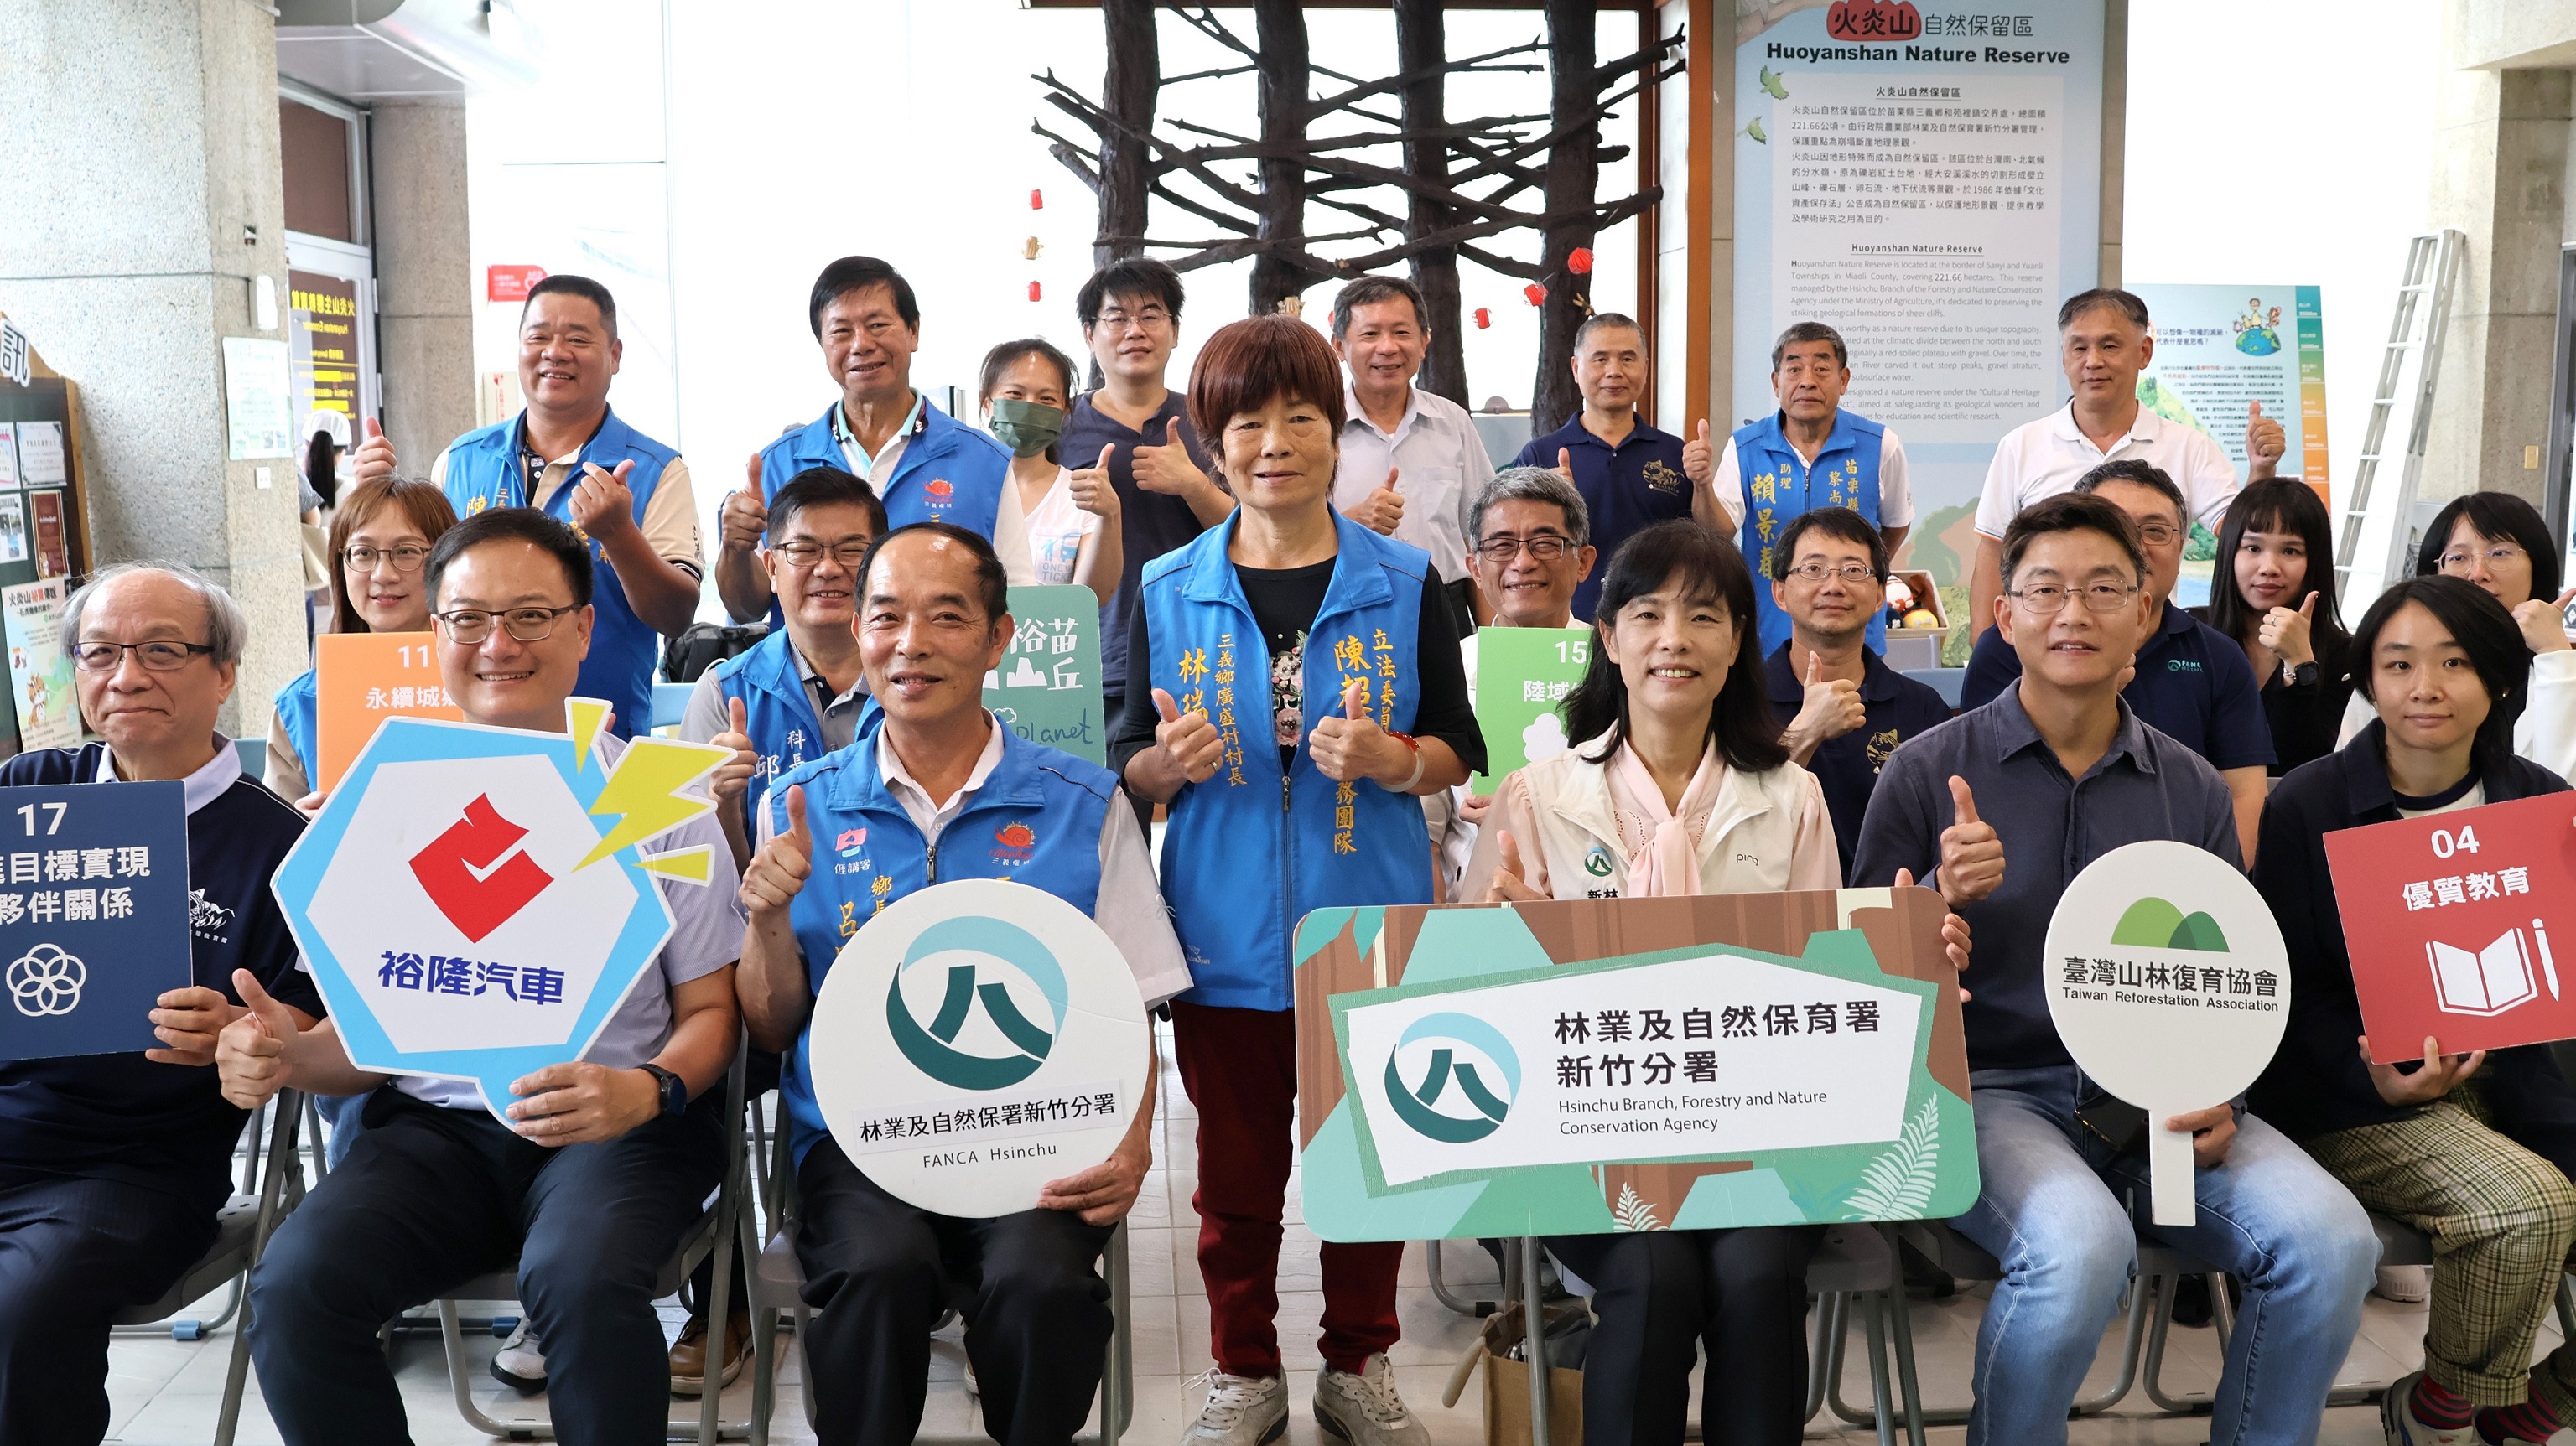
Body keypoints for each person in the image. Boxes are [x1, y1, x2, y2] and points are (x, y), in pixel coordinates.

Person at [1851, 492, 2376, 1446]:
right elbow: (1863, 982)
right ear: (2004, 616)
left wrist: (2223, 1089)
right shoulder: (1927, 771)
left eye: (2103, 589)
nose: (2074, 613)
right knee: (2080, 1246)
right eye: (2045, 589)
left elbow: (2228, 968)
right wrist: (1936, 896)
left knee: (2332, 1242)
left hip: (2162, 1095)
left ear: (2145, 611)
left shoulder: (2190, 786)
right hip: (1993, 1090)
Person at [224, 507, 744, 1446]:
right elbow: (362, 1047)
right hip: (434, 1136)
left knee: (580, 1280)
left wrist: (647, 1089)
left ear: (584, 628)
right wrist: (288, 1056)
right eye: (468, 619)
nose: (498, 644)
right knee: (296, 1287)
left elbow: (713, 1011)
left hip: (610, 1126)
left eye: (531, 616)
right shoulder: (382, 802)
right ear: (435, 634)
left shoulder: (654, 798)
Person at [1110, 314, 1483, 1446]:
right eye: (1247, 423)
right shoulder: (1165, 586)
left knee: (1369, 1164)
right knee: (1234, 1179)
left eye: (1301, 418)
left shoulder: (1405, 579)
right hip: (1219, 931)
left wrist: (1393, 760)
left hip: (1369, 925)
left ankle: (1357, 1364)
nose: (1274, 443)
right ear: (1212, 441)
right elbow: (1124, 759)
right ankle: (1244, 1369)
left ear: (1336, 436)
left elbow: (1460, 746)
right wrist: (1164, 765)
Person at [735, 522, 1190, 1446]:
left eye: (946, 617)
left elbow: (1133, 998)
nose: (912, 644)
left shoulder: (1083, 803)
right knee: (877, 1271)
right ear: (859, 635)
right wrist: (769, 918)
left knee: (1039, 1284)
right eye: (886, 617)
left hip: (1036, 1134)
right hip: (861, 1146)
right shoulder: (799, 806)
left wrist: (1133, 1143)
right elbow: (774, 1026)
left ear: (998, 638)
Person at [2246, 575, 2576, 1446]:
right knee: (2525, 1205)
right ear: (2367, 680)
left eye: (2455, 663)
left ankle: (2546, 1400)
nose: (2425, 687)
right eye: (2398, 665)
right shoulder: (2306, 804)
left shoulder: (2541, 801)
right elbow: (2282, 987)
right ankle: (2443, 1405)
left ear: (2499, 679)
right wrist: (2373, 1074)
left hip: (2514, 1078)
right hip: (2355, 1094)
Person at [0, 563, 320, 1445]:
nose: (126, 675)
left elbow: (303, 1028)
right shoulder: (27, 793)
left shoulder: (284, 847)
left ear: (224, 672)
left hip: (134, 1168)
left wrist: (244, 1033)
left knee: (24, 1309)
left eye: (162, 651)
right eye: (100, 653)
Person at [665, 464, 885, 1396]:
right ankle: (722, 1299)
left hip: (889, 956)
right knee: (704, 1060)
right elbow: (682, 875)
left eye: (852, 550)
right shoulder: (724, 691)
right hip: (761, 959)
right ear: (770, 565)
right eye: (805, 550)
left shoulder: (924, 671)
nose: (828, 568)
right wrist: (721, 808)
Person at [352, 274, 705, 740]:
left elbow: (676, 615)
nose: (555, 352)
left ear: (615, 355)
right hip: (469, 740)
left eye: (577, 339)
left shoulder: (656, 471)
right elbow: (420, 599)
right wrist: (377, 503)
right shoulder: (460, 460)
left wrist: (620, 535)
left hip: (601, 744)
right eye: (538, 337)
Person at [1959, 460, 2273, 861]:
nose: (2135, 545)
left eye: (2155, 531)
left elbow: (2244, 796)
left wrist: (2207, 886)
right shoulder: (2012, 646)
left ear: (2182, 547)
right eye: (2114, 526)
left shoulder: (2219, 658)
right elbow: (1977, 781)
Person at [719, 256, 1012, 623]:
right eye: (841, 332)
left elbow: (1018, 598)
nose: (861, 344)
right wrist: (736, 549)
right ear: (822, 344)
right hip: (808, 663)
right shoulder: (777, 465)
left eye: (877, 325)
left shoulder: (989, 464)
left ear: (914, 331)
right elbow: (746, 609)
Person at [1968, 288, 2272, 637]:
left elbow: (2242, 534)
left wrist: (2261, 470)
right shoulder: (2021, 446)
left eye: (2109, 346)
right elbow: (1993, 551)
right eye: (2079, 348)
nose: (2093, 361)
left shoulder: (2189, 448)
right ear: (2064, 358)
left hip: (2152, 643)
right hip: (2049, 644)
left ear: (2144, 352)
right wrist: (1985, 648)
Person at [1061, 257, 1229, 743]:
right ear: (1090, 334)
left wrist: (1194, 484)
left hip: (1203, 644)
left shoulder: (1212, 419)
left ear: (1175, 331)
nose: (1135, 331)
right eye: (1117, 317)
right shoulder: (1061, 427)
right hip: (1093, 653)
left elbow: (1257, 530)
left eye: (1151, 315)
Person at [1686, 322, 1914, 655]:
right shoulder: (1745, 447)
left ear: (1843, 380)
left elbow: (1896, 524)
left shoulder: (1881, 445)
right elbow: (1717, 533)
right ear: (1776, 382)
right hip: (1767, 633)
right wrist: (1702, 484)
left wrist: (1860, 575)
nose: (1807, 380)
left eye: (1821, 369)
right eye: (1794, 369)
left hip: (1854, 636)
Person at [1426, 467, 1599, 893]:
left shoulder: (1617, 666)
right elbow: (1426, 836)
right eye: (1501, 546)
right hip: (1477, 902)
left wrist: (1538, 816)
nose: (1523, 562)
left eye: (1546, 543)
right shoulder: (1446, 670)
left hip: (1591, 897)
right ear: (1474, 567)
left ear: (1583, 562)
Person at [1763, 508, 1953, 881]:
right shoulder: (1734, 701)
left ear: (1880, 595)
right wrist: (1805, 731)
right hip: (1773, 911)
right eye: (1814, 569)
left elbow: (1942, 835)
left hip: (1890, 911)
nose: (1833, 586)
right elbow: (1726, 824)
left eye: (1853, 570)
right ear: (1780, 592)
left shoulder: (1923, 709)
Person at [2334, 491, 2576, 780]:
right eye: (2458, 557)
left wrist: (2555, 654)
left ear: (2538, 565)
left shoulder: (2559, 670)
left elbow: (2564, 792)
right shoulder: (2392, 663)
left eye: (2499, 553)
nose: (2477, 573)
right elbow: (2346, 781)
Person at [266, 476, 460, 802]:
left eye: (406, 551)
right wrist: (300, 823)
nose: (383, 574)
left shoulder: (491, 680)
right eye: (363, 553)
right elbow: (276, 829)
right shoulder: (301, 704)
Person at [1327, 274, 1498, 635]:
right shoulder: (1319, 428)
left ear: (1424, 342)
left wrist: (1491, 641)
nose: (1387, 347)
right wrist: (1352, 521)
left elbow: (1480, 537)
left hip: (1445, 609)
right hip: (1347, 609)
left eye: (1401, 332)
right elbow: (1289, 536)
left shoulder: (1453, 422)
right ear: (1339, 346)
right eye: (1370, 334)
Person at [1511, 314, 1712, 621]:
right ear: (1576, 368)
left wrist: (1703, 483)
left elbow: (1712, 536)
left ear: (1645, 368)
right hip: (1564, 623)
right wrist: (1544, 502)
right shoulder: (1541, 454)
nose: (1614, 371)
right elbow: (1510, 543)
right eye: (1600, 359)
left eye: (1627, 359)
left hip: (1655, 621)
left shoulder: (1675, 452)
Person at [2201, 478, 2353, 775]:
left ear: (2315, 561)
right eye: (2253, 547)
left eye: (2291, 551)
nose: (2269, 567)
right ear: (2230, 552)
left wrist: (2300, 665)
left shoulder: (2346, 656)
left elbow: (2305, 770)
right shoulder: (2191, 636)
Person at [982, 337, 1122, 604]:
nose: (1030, 406)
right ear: (987, 403)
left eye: (1046, 398)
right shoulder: (961, 487)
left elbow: (1092, 596)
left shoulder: (1080, 495)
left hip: (1050, 631)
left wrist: (1110, 515)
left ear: (1064, 411)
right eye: (1015, 394)